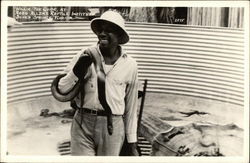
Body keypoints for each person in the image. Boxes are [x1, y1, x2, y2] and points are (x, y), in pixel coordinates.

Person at [51, 10, 139, 156]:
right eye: (101, 30)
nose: (102, 34)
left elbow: (131, 107)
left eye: (109, 30)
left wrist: (131, 141)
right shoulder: (85, 54)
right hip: (82, 124)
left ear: (119, 36)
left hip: (112, 127)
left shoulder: (130, 65)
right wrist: (76, 72)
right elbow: (62, 90)